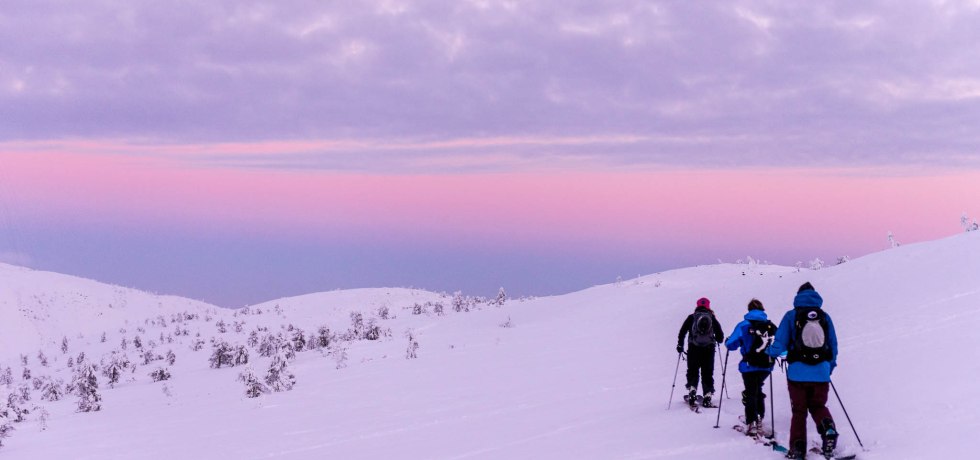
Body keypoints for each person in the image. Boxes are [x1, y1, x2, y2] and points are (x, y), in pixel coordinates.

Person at [768, 282, 839, 459]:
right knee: (818, 406)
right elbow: (833, 345)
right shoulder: (825, 317)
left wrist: (769, 352)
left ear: (798, 296)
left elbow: (780, 343)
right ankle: (828, 429)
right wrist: (829, 367)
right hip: (821, 372)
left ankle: (798, 448)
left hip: (797, 373)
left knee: (799, 411)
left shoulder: (791, 315)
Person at [725, 298, 777, 437]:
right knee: (757, 390)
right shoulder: (770, 325)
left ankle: (752, 422)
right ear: (762, 309)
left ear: (749, 310)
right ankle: (760, 417)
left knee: (751, 392)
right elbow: (778, 343)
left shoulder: (743, 325)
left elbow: (731, 345)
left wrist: (728, 341)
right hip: (766, 366)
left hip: (749, 366)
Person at [676, 297, 724, 408]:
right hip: (709, 349)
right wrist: (716, 339)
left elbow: (682, 332)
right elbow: (720, 336)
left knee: (693, 370)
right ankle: (707, 395)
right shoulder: (712, 318)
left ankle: (692, 389)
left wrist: (680, 345)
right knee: (707, 372)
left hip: (694, 348)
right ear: (708, 306)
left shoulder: (692, 317)